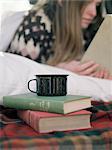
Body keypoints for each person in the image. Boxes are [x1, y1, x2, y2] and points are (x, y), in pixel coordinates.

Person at [6, 0, 112, 79]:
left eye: (97, 5)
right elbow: (18, 75)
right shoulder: (36, 25)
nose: (93, 12)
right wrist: (58, 70)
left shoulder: (88, 28)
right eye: (86, 3)